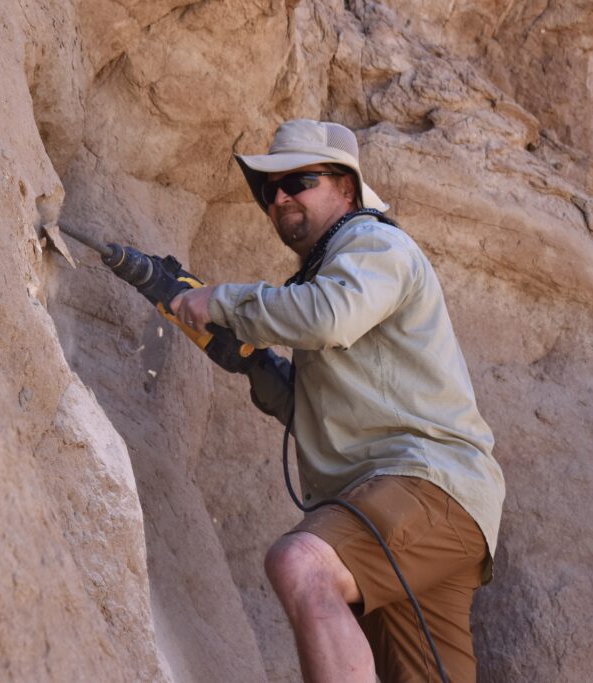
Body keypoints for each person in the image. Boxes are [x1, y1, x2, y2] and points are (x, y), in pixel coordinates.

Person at [171, 119, 505, 682]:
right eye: (266, 190)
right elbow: (316, 406)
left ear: (345, 188)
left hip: (422, 486)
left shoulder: (374, 243)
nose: (279, 198)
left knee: (302, 563)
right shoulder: (329, 274)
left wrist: (220, 301)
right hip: (425, 509)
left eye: (298, 180)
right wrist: (254, 362)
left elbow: (329, 318)